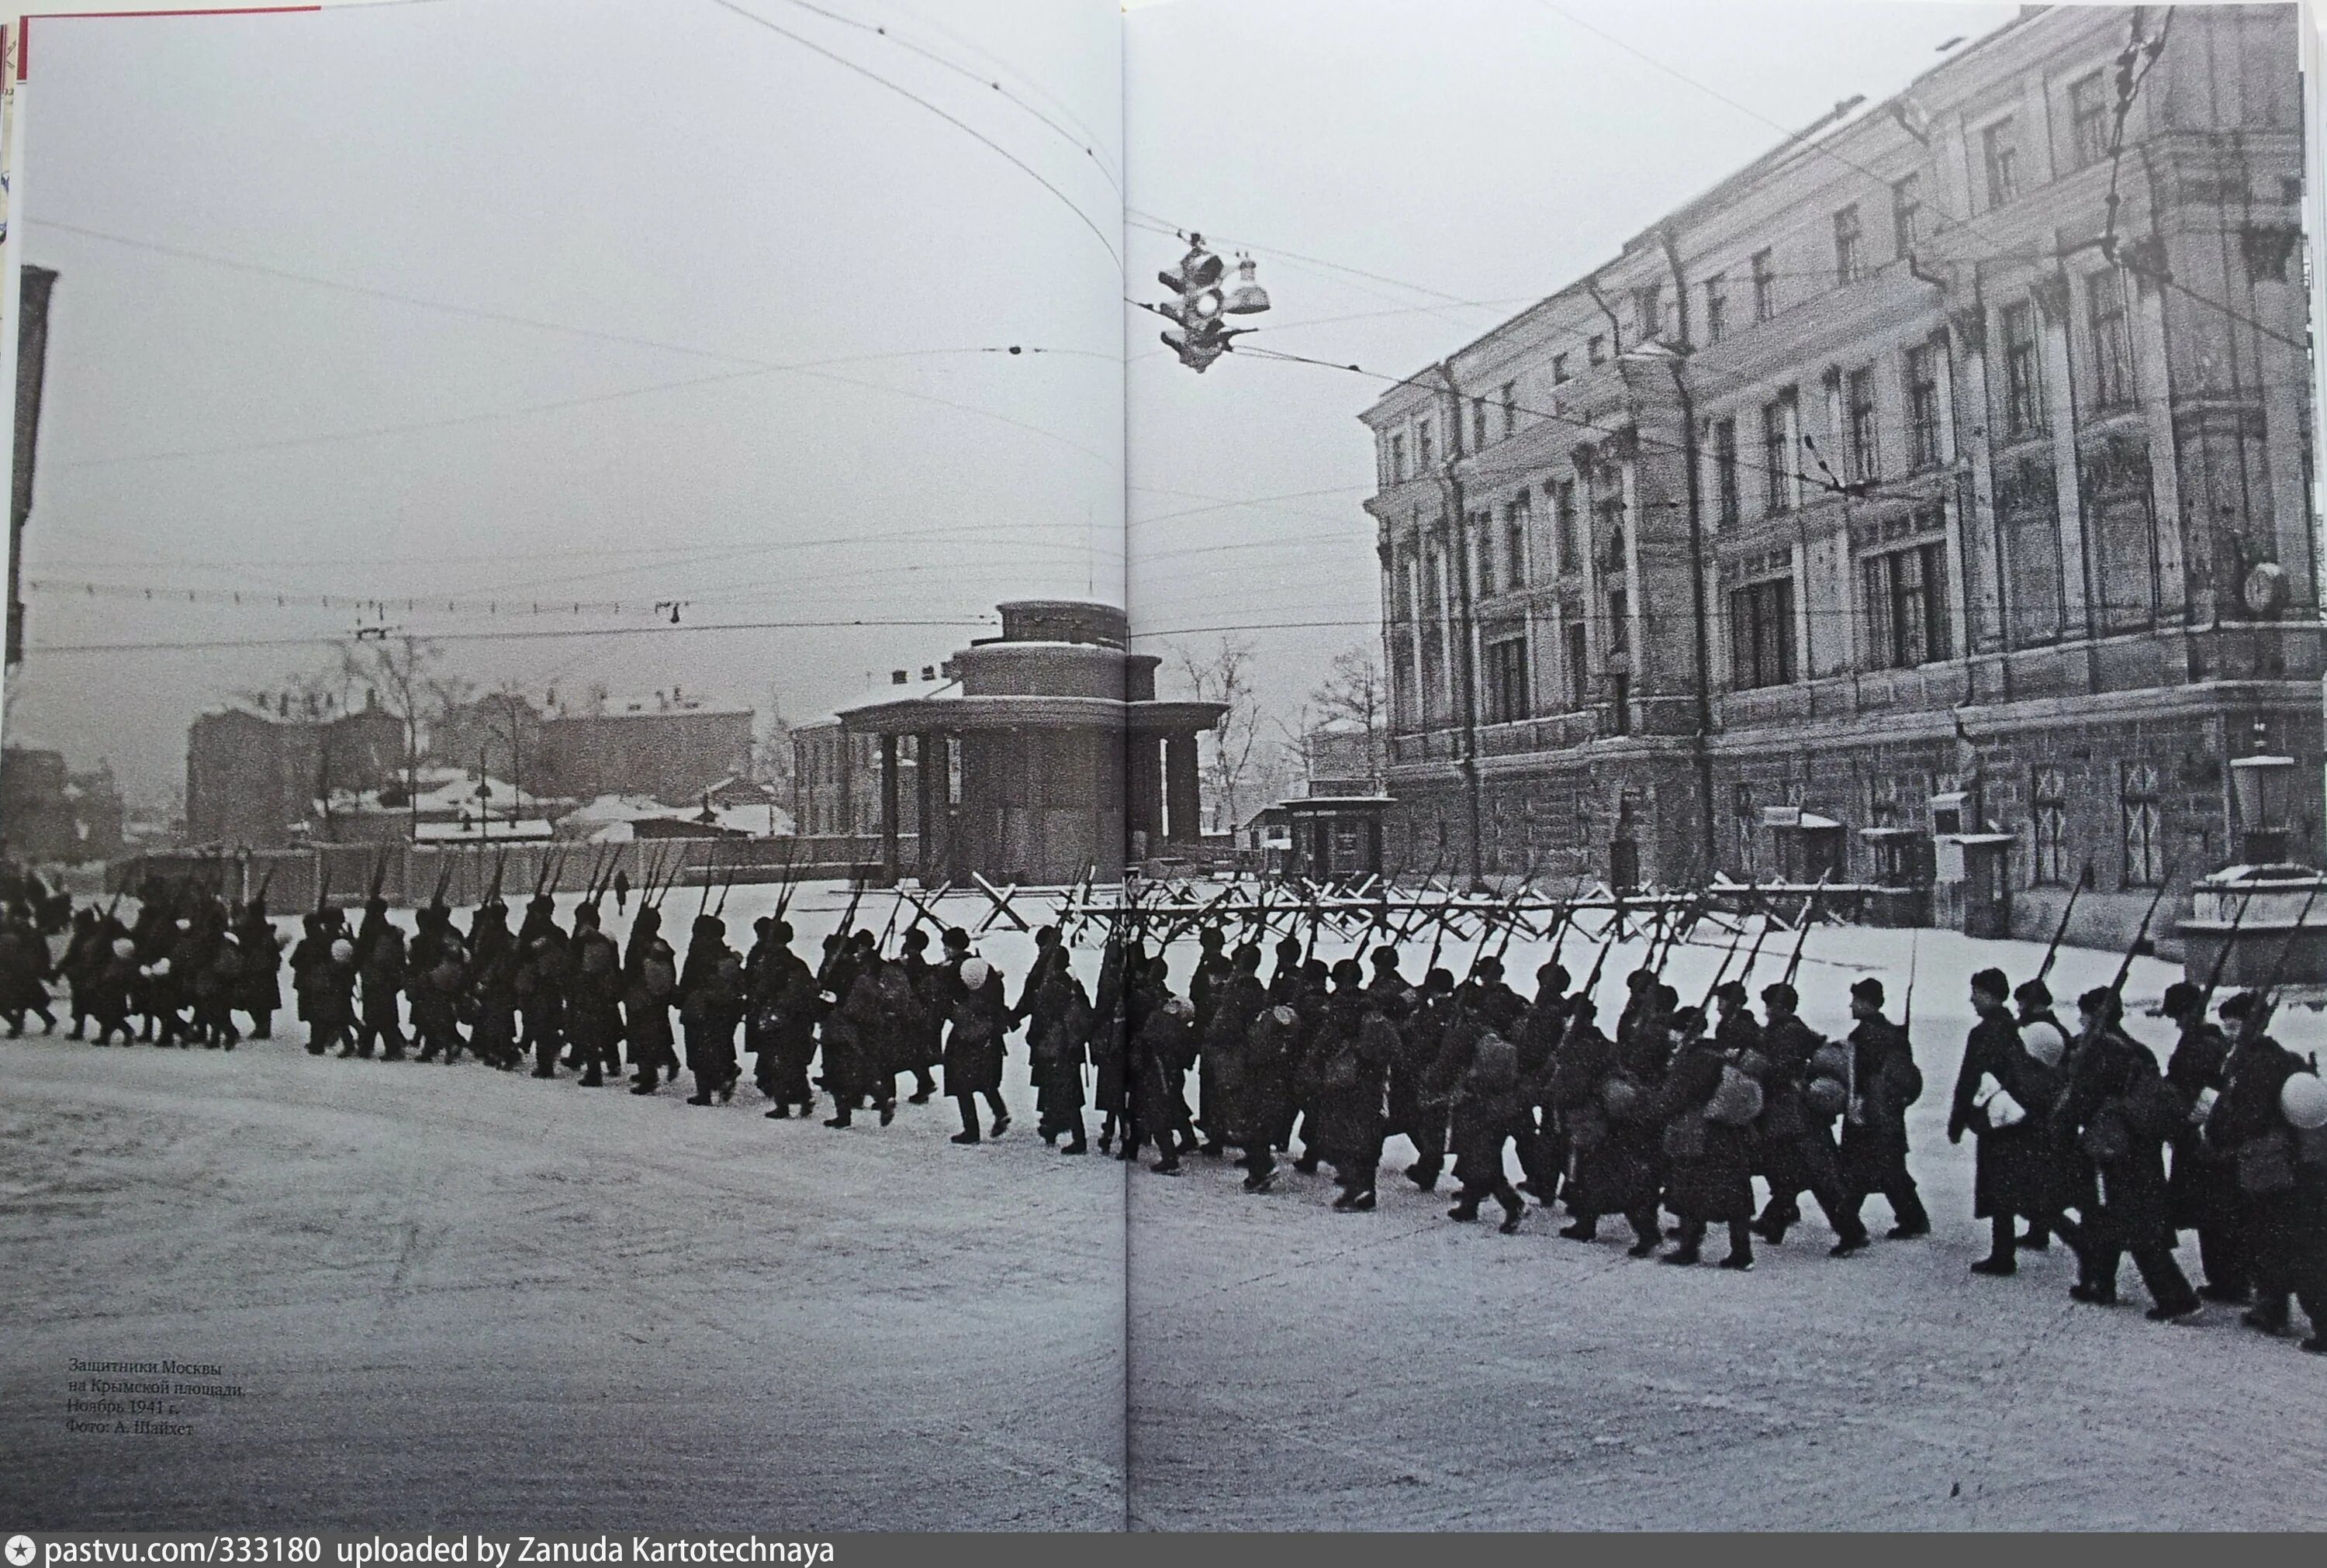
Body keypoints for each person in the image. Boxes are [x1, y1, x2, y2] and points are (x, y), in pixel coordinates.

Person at [2054, 986, 2200, 1318]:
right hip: (2142, 1144)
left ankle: (2174, 1296)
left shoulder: (2099, 1052)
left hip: (2113, 1146)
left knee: (2128, 1220)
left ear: (2095, 1015)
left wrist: (2063, 1126)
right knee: (2115, 1215)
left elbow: (2081, 1101)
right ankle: (2100, 1282)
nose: (2081, 1020)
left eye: (2085, 1013)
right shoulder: (2139, 1050)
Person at [2207, 990, 2314, 1342]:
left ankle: (2271, 1307)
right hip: (2285, 1158)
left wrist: (2222, 1126)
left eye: (2233, 1025)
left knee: (2264, 1233)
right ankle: (2274, 1303)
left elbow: (2250, 1116)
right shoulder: (2280, 1057)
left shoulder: (2253, 1063)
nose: (2227, 1032)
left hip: (2262, 1158)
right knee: (2277, 1232)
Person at [1948, 967, 2060, 1276]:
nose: (1971, 1000)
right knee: (2019, 1181)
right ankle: (2029, 1236)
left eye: (1975, 993)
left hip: (1995, 1117)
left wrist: (1957, 1121)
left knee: (1999, 1185)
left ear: (1987, 995)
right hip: (2023, 1115)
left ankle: (2003, 1254)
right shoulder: (2017, 1027)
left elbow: (1968, 1079)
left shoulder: (1984, 1033)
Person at [1648, 1005, 1756, 1269]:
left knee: (1689, 1190)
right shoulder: (1722, 1054)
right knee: (1733, 1193)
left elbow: (1674, 1098)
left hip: (1699, 1132)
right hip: (1729, 1133)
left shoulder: (1693, 1058)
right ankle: (1741, 1251)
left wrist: (1654, 1107)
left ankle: (1689, 1248)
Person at [2160, 980, 2246, 1303]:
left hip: (2202, 1137)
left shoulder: (2200, 1044)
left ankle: (2228, 1281)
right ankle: (2229, 1278)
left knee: (2214, 1214)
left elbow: (2192, 1089)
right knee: (2215, 1212)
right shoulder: (2208, 1041)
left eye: (2177, 1014)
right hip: (2202, 1137)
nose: (2175, 1021)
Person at [1833, 976, 1930, 1251]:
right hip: (1890, 1112)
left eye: (1856, 1000)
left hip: (1868, 1112)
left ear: (1867, 1003)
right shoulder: (1894, 1034)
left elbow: (1859, 1078)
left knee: (1858, 1169)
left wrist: (1856, 1106)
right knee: (1891, 1168)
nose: (1851, 1005)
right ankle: (1913, 1217)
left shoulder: (1864, 1037)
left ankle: (1848, 1222)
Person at [1446, 1018, 1526, 1232]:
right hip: (1498, 1111)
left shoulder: (1474, 1046)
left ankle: (1512, 1204)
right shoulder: (1492, 1045)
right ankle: (1469, 1206)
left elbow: (1456, 1071)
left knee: (1483, 1162)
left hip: (1484, 1111)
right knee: (1476, 1157)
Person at [942, 955, 1010, 1144]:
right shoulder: (993, 992)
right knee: (987, 1082)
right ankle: (1000, 1111)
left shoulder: (966, 1002)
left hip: (966, 1044)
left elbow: (957, 1017)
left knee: (963, 1086)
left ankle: (971, 1131)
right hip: (989, 1044)